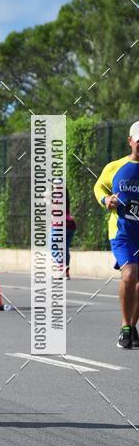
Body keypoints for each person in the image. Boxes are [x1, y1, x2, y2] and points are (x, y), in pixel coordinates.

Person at [94, 121, 139, 348]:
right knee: (130, 275)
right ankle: (124, 326)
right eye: (138, 140)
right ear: (130, 141)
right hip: (123, 233)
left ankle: (132, 326)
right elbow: (99, 187)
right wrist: (106, 200)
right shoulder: (115, 167)